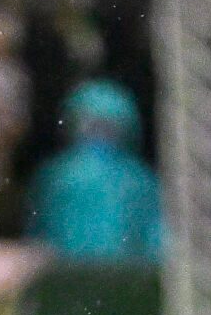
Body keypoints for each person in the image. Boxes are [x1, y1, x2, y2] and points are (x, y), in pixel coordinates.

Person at [27, 80, 160, 263]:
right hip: (122, 280)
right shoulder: (141, 178)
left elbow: (36, 236)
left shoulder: (55, 174)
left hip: (66, 280)